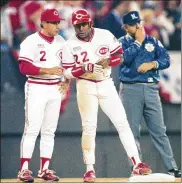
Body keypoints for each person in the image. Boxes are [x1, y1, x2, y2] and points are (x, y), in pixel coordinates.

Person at [62, 9, 152, 183]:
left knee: (122, 122)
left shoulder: (104, 35)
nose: (81, 28)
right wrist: (84, 68)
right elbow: (66, 72)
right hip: (85, 85)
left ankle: (137, 163)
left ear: (90, 22)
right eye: (77, 25)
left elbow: (119, 56)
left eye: (83, 24)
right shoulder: (69, 44)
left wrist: (108, 61)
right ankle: (89, 169)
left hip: (105, 82)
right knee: (89, 128)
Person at [118, 11, 181, 178]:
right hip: (130, 88)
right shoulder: (121, 42)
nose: (139, 26)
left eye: (138, 22)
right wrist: (138, 42)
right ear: (125, 27)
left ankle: (172, 167)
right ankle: (136, 166)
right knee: (132, 131)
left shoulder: (153, 41)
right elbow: (123, 59)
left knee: (159, 130)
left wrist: (153, 63)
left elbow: (166, 59)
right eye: (133, 24)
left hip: (151, 88)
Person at [17, 8, 69, 182]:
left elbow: (68, 64)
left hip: (55, 87)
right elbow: (24, 67)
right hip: (36, 87)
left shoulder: (61, 40)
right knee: (32, 129)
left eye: (58, 22)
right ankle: (24, 169)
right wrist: (47, 70)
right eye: (54, 22)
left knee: (49, 131)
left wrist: (66, 80)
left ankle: (44, 169)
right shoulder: (31, 41)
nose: (57, 25)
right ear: (44, 23)